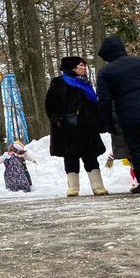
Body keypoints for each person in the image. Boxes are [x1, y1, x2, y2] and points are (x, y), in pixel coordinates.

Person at [97, 34, 140, 193]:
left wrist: (108, 124)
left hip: (128, 114)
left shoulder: (105, 72)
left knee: (135, 148)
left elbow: (104, 100)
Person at [45, 56, 107, 197]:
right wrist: (57, 120)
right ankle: (73, 187)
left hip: (87, 127)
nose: (84, 68)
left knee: (91, 156)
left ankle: (98, 186)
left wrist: (97, 122)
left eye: (84, 65)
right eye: (81, 65)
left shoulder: (85, 83)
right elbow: (50, 105)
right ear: (72, 67)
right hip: (67, 128)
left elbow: (93, 105)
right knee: (70, 157)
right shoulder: (58, 82)